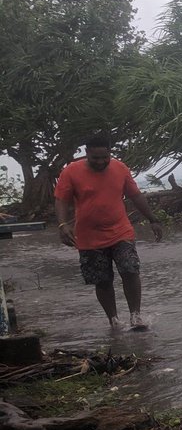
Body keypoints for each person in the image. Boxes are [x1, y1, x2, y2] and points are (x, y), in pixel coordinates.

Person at [54, 135, 163, 329]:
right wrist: (63, 225)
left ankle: (135, 316)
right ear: (86, 153)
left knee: (130, 270)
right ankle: (113, 321)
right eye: (95, 158)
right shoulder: (71, 171)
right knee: (102, 280)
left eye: (105, 157)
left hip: (120, 231)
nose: (101, 162)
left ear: (109, 153)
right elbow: (62, 199)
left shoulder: (120, 168)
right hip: (89, 237)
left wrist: (153, 220)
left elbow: (135, 195)